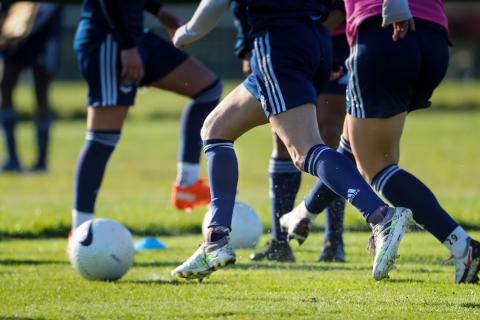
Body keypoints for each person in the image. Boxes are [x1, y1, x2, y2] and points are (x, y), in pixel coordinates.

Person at [171, 0, 412, 282]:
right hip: (314, 37)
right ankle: (216, 240)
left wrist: (186, 32)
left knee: (304, 150)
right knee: (215, 129)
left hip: (277, 42)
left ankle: (381, 216)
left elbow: (216, 3)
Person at [280, 0, 480, 284]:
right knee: (354, 145)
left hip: (385, 28)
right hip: (433, 36)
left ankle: (462, 246)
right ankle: (304, 214)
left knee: (376, 166)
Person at [71, 0, 223, 233]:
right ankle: (80, 232)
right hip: (109, 40)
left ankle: (187, 184)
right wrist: (127, 46)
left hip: (134, 37)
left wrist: (160, 12)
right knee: (101, 139)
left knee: (208, 88)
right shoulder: (119, 42)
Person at [229, 1, 349, 263]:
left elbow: (340, 6)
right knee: (282, 137)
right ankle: (280, 242)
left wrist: (316, 35)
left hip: (333, 39)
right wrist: (247, 49)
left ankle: (334, 240)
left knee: (330, 134)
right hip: (285, 42)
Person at [0, 2, 62, 172]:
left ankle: (41, 161)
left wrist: (27, 27)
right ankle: (11, 157)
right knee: (5, 89)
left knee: (41, 95)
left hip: (43, 35)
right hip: (12, 36)